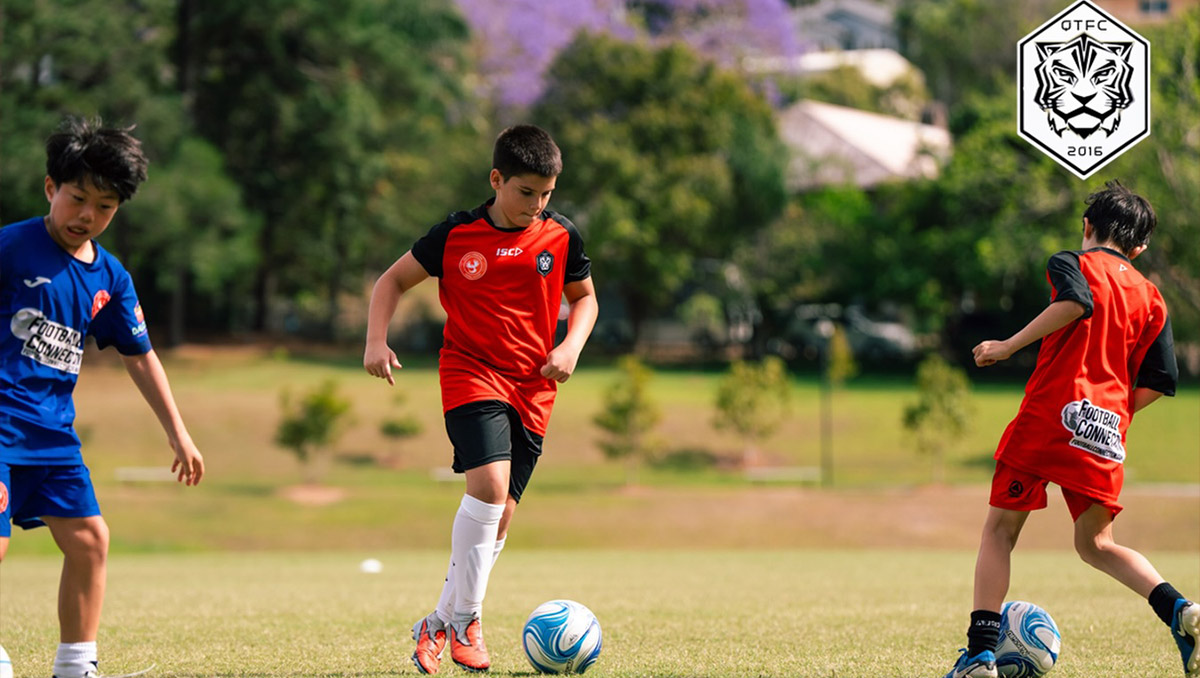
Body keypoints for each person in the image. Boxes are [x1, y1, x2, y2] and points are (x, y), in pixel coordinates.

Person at [363, 124, 597, 674]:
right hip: (471, 373)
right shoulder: (455, 234)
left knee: (501, 516)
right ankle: (469, 619)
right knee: (489, 487)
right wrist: (376, 340)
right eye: (525, 192)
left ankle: (438, 622)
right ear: (496, 179)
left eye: (546, 194)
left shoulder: (561, 235)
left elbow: (585, 298)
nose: (536, 205)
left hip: (534, 386)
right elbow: (390, 282)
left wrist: (571, 346)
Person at [944, 180, 1196, 678]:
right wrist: (1113, 414)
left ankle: (980, 656)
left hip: (1051, 416)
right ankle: (1182, 611)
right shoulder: (1152, 297)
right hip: (1106, 431)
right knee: (1096, 544)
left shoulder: (1072, 262)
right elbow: (1161, 379)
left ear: (1087, 226)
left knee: (1000, 530)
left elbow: (1076, 303)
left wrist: (1007, 345)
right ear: (1139, 248)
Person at [0, 117, 205, 678]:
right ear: (51, 188)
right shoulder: (11, 247)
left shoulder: (111, 278)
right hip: (1, 425)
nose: (87, 215)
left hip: (52, 436)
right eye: (77, 198)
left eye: (105, 206)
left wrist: (178, 432)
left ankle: (75, 664)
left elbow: (140, 356)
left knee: (91, 540)